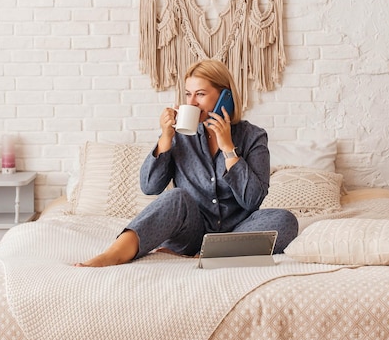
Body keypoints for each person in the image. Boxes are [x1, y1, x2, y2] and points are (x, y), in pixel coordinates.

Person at [75, 59, 298, 267]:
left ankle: (210, 255)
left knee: (285, 220)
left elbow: (252, 200)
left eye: (200, 94)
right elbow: (150, 187)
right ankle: (113, 254)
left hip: (237, 232)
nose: (191, 102)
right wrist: (165, 138)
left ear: (225, 97)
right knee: (177, 196)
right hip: (189, 232)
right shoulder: (180, 135)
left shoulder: (253, 136)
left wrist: (228, 149)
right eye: (188, 94)